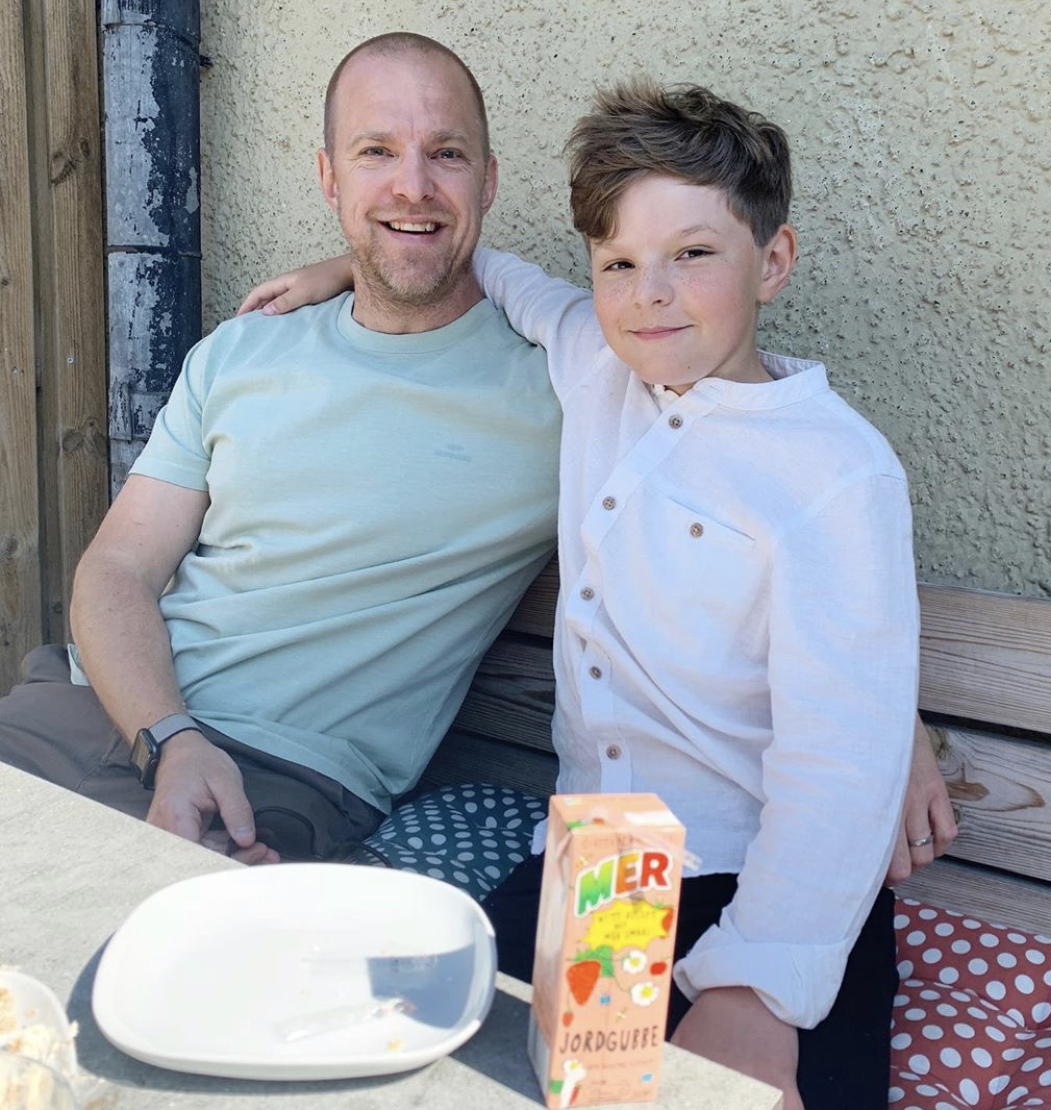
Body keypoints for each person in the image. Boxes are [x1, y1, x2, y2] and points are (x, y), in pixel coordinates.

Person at [238, 81, 957, 1107]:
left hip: (764, 880)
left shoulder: (836, 472)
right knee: (452, 1075)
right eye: (617, 263)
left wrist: (755, 987)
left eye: (692, 254)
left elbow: (839, 761)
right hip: (603, 864)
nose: (647, 294)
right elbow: (500, 273)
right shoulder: (595, 361)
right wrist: (343, 270)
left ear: (774, 261)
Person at [0, 33, 561, 864]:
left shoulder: (562, 390)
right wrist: (170, 736)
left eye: (446, 153)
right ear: (329, 177)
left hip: (279, 781)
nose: (412, 184)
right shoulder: (241, 350)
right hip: (88, 710)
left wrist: (367, 254)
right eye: (376, 152)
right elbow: (117, 569)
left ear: (488, 179)